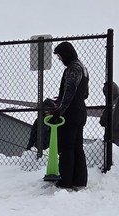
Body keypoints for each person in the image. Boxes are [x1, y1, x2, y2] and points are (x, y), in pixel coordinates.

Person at [43, 41, 90, 189]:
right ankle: (80, 180)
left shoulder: (73, 68)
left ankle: (66, 181)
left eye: (60, 56)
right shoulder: (82, 67)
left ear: (66, 54)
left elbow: (69, 92)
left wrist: (59, 111)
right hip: (81, 111)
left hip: (71, 113)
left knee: (67, 147)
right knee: (77, 147)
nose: (60, 60)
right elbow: (85, 94)